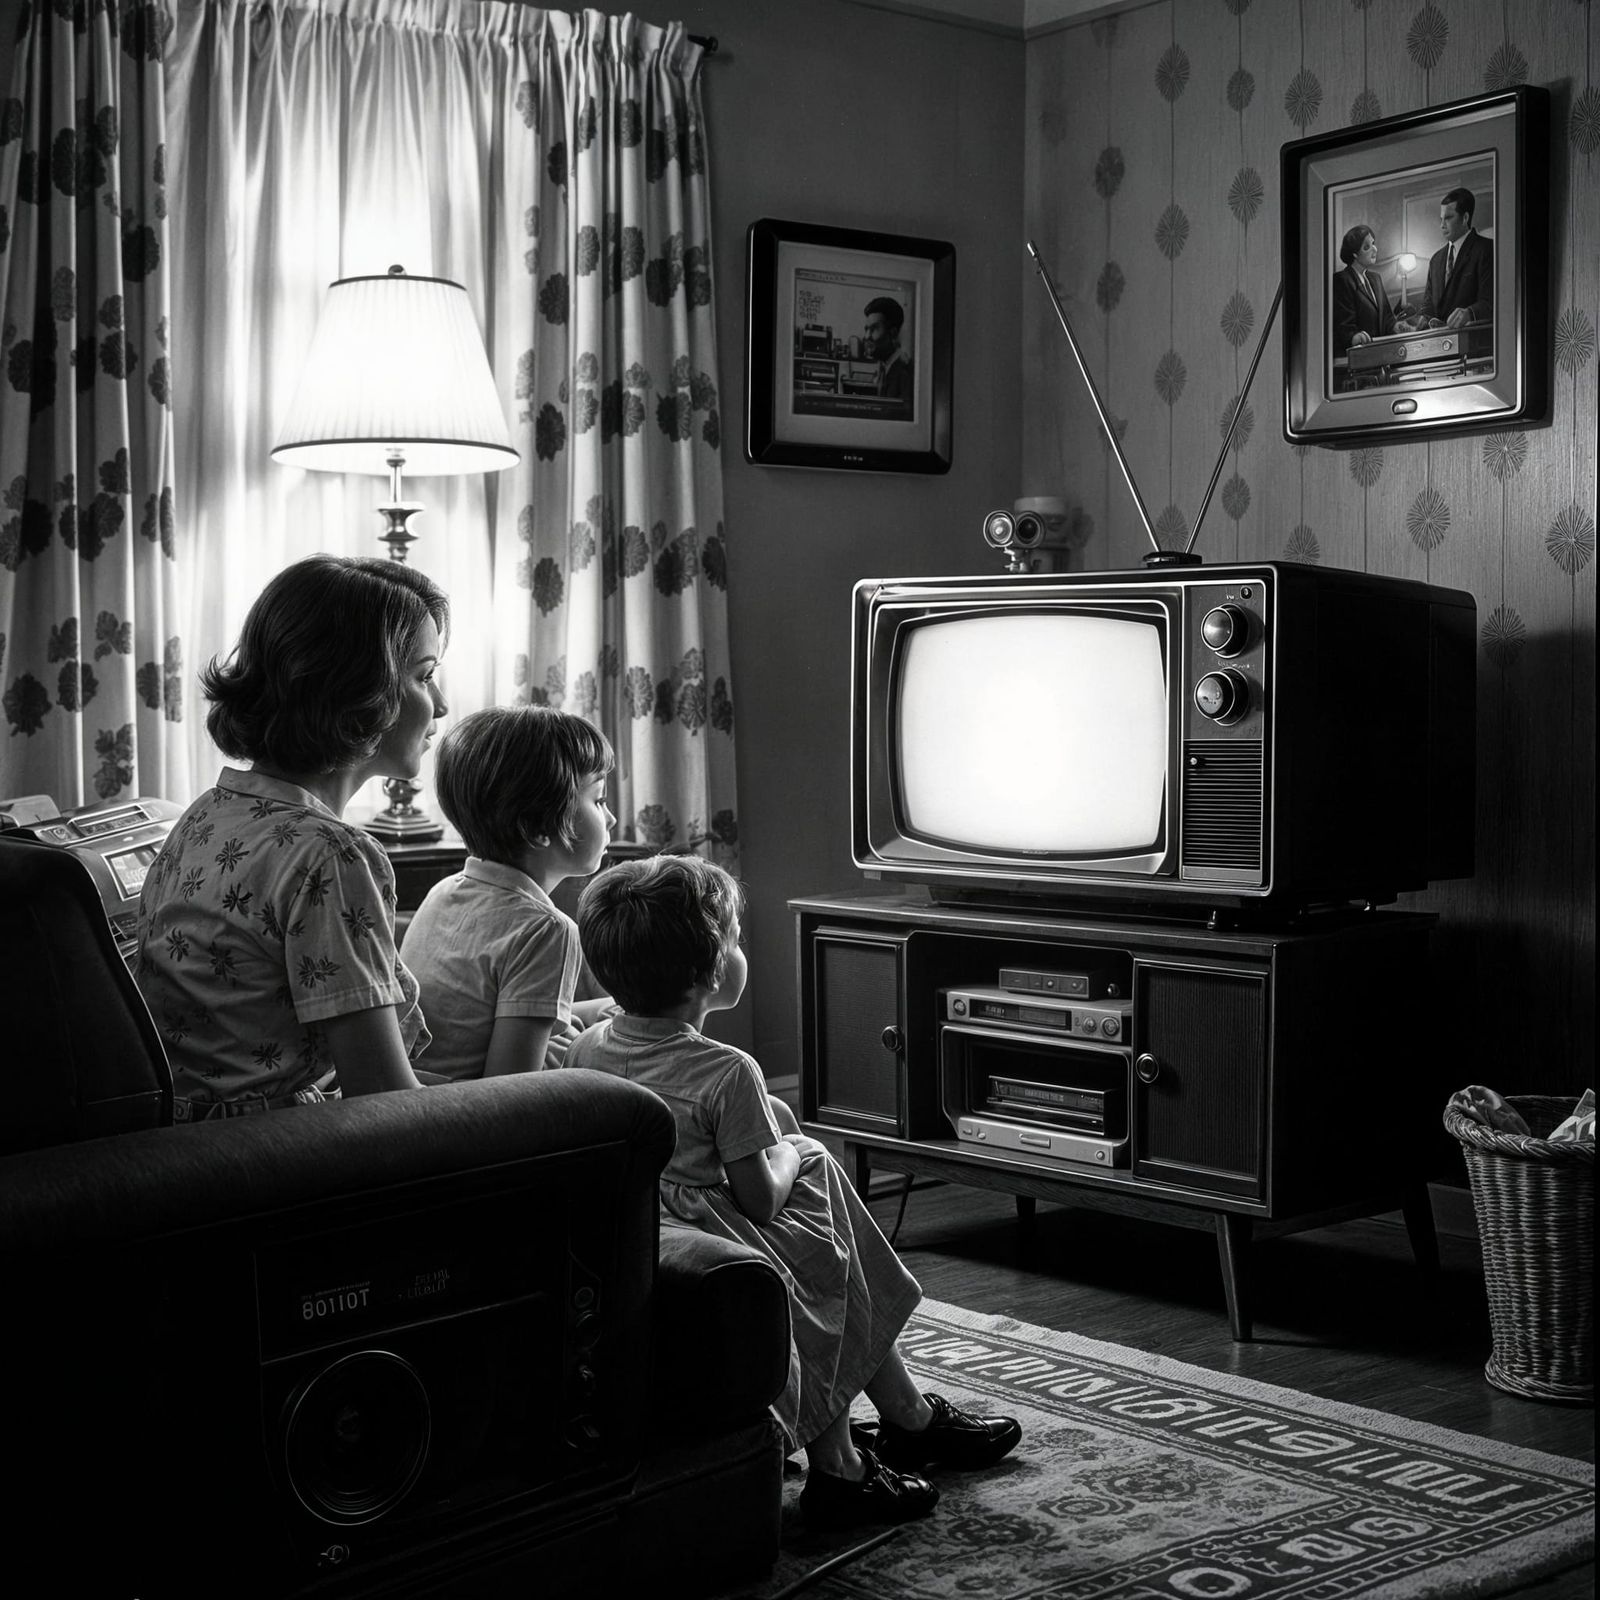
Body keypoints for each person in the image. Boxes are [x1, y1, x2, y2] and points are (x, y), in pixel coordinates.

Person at [567, 854, 1022, 1530]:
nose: (740, 949)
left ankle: (905, 1417)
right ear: (710, 972)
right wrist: (790, 1146)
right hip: (716, 1232)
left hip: (648, 1220)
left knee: (815, 1198)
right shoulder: (728, 1071)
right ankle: (849, 1461)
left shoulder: (589, 1046)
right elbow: (759, 1198)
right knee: (815, 1198)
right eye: (736, 938)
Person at [134, 554, 448, 1118]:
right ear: (359, 687)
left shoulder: (207, 813)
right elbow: (385, 1099)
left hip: (172, 1141)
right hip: (273, 1160)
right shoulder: (332, 855)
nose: (442, 706)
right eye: (425, 676)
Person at [400, 705, 619, 1079]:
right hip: (460, 1120)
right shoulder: (546, 929)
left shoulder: (444, 891)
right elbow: (511, 1092)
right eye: (598, 800)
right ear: (538, 826)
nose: (610, 818)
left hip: (418, 1104)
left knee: (618, 1012)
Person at [1400, 186, 1493, 332]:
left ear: (1465, 218)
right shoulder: (1436, 260)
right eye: (1441, 219)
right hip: (1440, 344)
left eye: (1448, 218)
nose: (1442, 225)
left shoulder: (1486, 250)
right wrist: (1421, 319)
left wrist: (1470, 314)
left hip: (1473, 341)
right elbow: (1428, 305)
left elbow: (1492, 301)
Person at [1331, 224, 1396, 359]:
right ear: (1355, 254)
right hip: (1359, 358)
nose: (1374, 249)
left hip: (1381, 356)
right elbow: (1343, 326)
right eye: (1367, 247)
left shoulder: (1375, 279)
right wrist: (1354, 337)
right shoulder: (1341, 280)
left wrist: (1400, 327)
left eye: (1373, 243)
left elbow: (1388, 319)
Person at [863, 296, 913, 405]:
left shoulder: (905, 373)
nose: (867, 337)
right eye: (866, 329)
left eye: (874, 329)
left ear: (893, 333)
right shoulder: (885, 367)